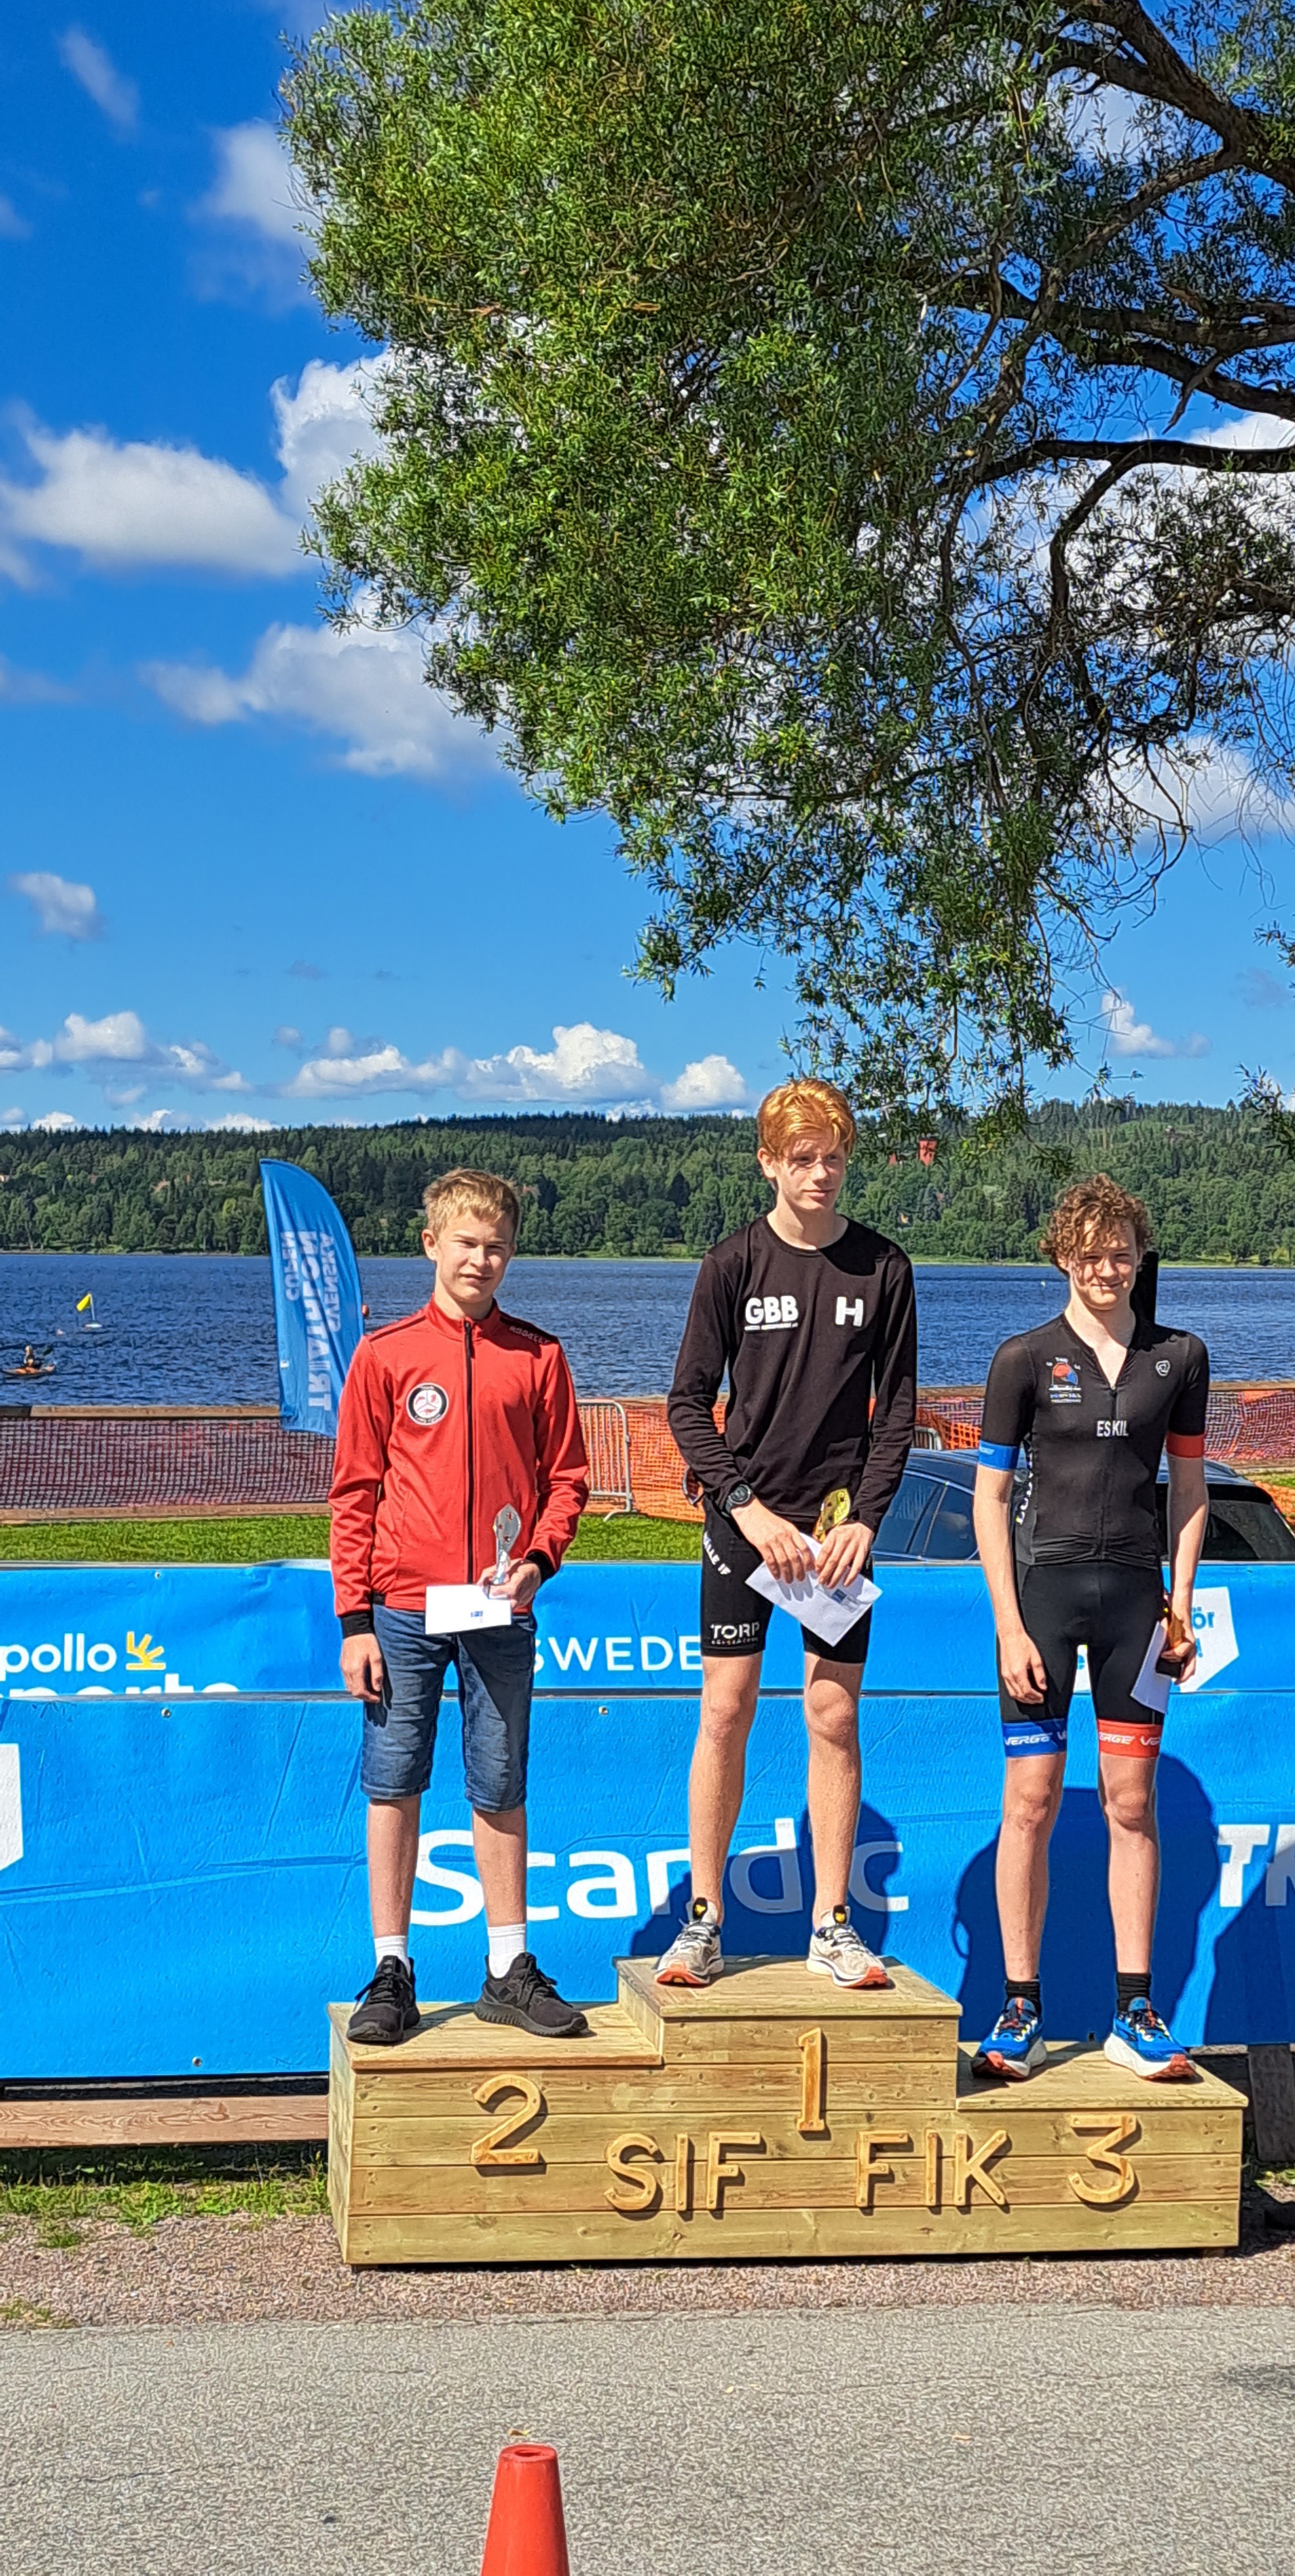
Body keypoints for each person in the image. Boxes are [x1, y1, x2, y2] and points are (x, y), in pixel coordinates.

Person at [659, 1077, 916, 1989]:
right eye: (802, 1159)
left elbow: (898, 1413)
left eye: (833, 1158)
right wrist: (743, 1505)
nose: (820, 1174)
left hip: (833, 1534)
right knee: (725, 1709)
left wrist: (867, 1520)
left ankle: (832, 1924)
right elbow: (687, 1404)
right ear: (768, 1162)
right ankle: (703, 1920)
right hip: (747, 1527)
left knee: (833, 1713)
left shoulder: (883, 1268)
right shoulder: (731, 1263)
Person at [330, 1167, 590, 2045]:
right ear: (431, 1245)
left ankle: (507, 1967)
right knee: (392, 1783)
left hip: (498, 1612)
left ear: (511, 1255)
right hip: (401, 1610)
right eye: (466, 1243)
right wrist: (355, 1621)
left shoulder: (539, 1357)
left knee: (500, 1783)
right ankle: (391, 1970)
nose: (481, 1260)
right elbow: (355, 1493)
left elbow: (566, 1482)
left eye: (497, 1247)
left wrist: (537, 1562)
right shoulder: (385, 1355)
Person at [971, 1174, 1208, 2082]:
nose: (1104, 1270)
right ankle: (1019, 2008)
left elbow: (1188, 1489)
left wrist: (1179, 1604)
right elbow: (989, 1500)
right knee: (1029, 1803)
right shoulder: (1023, 1358)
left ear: (1140, 1258)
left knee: (1131, 1805)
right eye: (1088, 1256)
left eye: (1119, 1255)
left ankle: (1133, 2010)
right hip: (1041, 1598)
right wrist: (1007, 1626)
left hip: (1135, 1607)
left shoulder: (1178, 1357)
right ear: (1061, 1259)